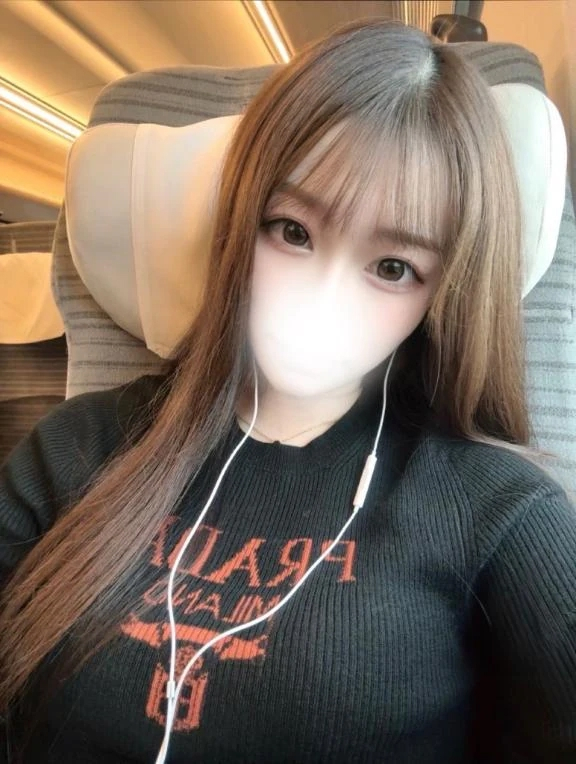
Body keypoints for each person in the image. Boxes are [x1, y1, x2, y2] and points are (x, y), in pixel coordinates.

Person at [0, 17, 575, 764]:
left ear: (441, 298)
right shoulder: (74, 449)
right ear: (240, 224)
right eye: (292, 231)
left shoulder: (500, 510)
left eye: (393, 267)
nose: (321, 298)